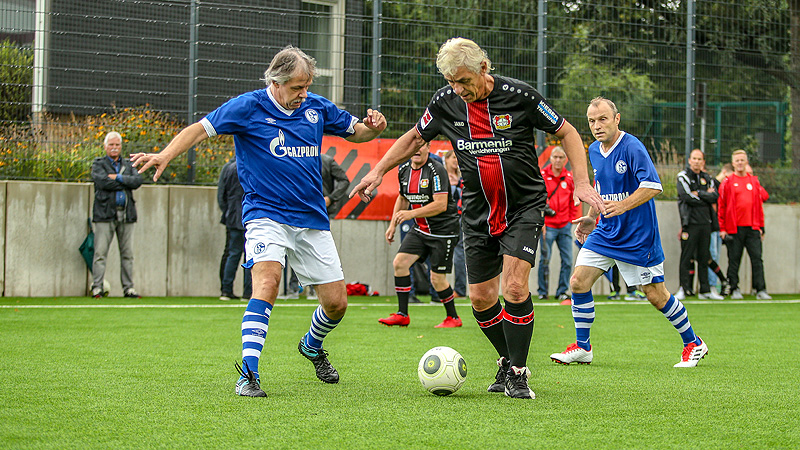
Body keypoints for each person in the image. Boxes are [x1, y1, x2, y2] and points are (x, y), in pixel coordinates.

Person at [351, 38, 604, 399]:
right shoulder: (445, 102)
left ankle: (518, 372)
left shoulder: (520, 96)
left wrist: (581, 181)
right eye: (452, 81)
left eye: (464, 80)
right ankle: (505, 361)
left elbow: (566, 132)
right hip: (476, 212)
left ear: (484, 68)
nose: (458, 89)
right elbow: (412, 138)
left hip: (523, 207)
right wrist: (378, 171)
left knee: (515, 287)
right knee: (481, 298)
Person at [131, 45, 386, 397]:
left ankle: (311, 345)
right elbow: (198, 129)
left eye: (307, 85)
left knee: (337, 303)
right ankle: (248, 375)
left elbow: (357, 132)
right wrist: (165, 154)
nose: (304, 93)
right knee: (266, 284)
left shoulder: (316, 107)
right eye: (297, 87)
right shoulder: (247, 107)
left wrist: (374, 128)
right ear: (276, 82)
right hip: (265, 214)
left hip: (311, 218)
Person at [550, 97, 708, 368]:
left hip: (637, 236)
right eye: (591, 121)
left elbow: (653, 185)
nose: (597, 126)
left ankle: (693, 343)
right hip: (606, 231)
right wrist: (591, 217)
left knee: (655, 294)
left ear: (617, 119)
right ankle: (583, 347)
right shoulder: (595, 151)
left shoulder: (632, 146)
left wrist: (622, 206)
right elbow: (601, 187)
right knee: (578, 282)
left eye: (602, 119)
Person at [379, 142, 462, 328]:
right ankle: (402, 314)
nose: (416, 149)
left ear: (428, 148)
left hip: (443, 231)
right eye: (413, 146)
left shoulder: (436, 169)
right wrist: (392, 224)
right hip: (421, 229)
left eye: (421, 145)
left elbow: (441, 204)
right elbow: (402, 198)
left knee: (437, 279)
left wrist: (410, 214)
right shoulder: (404, 170)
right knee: (399, 263)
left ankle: (453, 318)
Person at [90, 131, 143, 299]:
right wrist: (124, 182)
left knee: (127, 254)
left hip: (126, 215)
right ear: (105, 147)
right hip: (104, 215)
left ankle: (129, 289)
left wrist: (118, 177)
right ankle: (97, 288)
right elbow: (102, 182)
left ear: (121, 146)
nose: (114, 148)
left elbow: (137, 181)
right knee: (100, 253)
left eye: (117, 145)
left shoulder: (129, 164)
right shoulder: (98, 164)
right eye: (111, 145)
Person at [718, 150, 771, 299]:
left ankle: (760, 289)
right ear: (733, 163)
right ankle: (734, 288)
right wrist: (722, 228)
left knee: (757, 259)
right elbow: (721, 206)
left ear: (746, 162)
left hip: (753, 228)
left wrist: (761, 227)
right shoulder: (727, 182)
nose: (740, 163)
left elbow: (759, 206)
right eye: (737, 160)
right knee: (734, 260)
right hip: (734, 228)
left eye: (743, 160)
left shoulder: (754, 181)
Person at [675, 149, 723, 300]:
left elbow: (715, 195)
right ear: (689, 160)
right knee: (686, 257)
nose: (696, 161)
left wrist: (700, 193)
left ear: (703, 162)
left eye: (699, 159)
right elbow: (686, 196)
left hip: (705, 223)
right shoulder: (682, 176)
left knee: (704, 257)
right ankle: (683, 288)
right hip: (689, 224)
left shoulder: (707, 177)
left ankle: (705, 290)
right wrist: (705, 196)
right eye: (694, 158)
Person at [537, 146, 579, 302]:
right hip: (547, 226)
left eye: (561, 157)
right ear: (551, 158)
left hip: (564, 226)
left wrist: (570, 221)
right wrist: (541, 221)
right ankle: (542, 291)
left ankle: (562, 291)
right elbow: (538, 200)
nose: (558, 160)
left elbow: (573, 202)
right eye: (555, 157)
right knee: (544, 259)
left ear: (565, 160)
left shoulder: (568, 178)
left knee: (567, 260)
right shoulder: (542, 175)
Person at [218, 157, 252, 301]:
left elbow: (221, 195)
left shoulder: (228, 168)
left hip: (232, 215)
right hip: (250, 216)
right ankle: (248, 292)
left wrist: (227, 211)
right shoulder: (252, 167)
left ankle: (226, 290)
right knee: (250, 256)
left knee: (232, 253)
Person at [444, 149, 467, 298]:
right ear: (446, 159)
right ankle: (438, 288)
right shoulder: (440, 175)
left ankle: (460, 289)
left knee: (459, 253)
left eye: (457, 157)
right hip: (443, 218)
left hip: (459, 217)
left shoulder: (462, 177)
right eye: (452, 157)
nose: (455, 160)